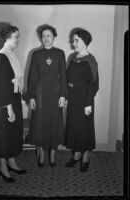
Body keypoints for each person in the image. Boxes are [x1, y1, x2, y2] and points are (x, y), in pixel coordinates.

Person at [26, 24, 67, 167]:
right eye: (43, 36)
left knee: (55, 122)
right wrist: (31, 96)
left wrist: (63, 95)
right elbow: (32, 77)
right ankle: (42, 152)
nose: (46, 38)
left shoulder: (60, 53)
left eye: (49, 35)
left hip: (55, 91)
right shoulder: (36, 54)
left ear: (54, 36)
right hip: (40, 92)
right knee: (39, 122)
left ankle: (53, 152)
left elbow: (63, 75)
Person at [0, 25, 27, 183]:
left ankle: (12, 162)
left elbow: (15, 80)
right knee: (4, 136)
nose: (19, 40)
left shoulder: (11, 54)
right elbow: (2, 86)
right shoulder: (1, 57)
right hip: (5, 103)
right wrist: (9, 109)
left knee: (13, 133)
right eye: (16, 37)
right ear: (7, 38)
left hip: (13, 99)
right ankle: (2, 166)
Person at [65, 28, 99, 172]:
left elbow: (94, 84)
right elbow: (67, 78)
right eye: (73, 40)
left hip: (85, 100)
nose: (73, 43)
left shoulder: (90, 60)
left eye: (76, 40)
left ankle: (85, 156)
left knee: (84, 129)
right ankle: (76, 154)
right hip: (72, 99)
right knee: (74, 128)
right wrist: (65, 96)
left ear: (84, 41)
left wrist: (88, 104)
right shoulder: (72, 58)